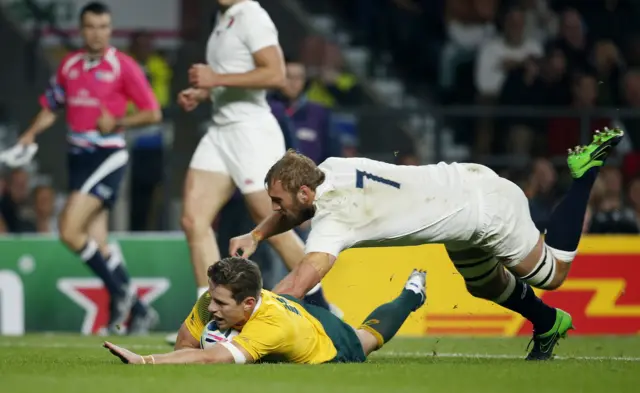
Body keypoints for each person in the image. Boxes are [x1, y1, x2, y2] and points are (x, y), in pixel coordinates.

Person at [230, 128, 625, 361]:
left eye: (278, 201)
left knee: (552, 273)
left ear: (303, 191)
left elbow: (297, 285)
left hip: (484, 208)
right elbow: (295, 211)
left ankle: (584, 176)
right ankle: (547, 323)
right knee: (483, 284)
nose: (275, 209)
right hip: (459, 199)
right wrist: (257, 235)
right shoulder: (329, 168)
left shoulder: (337, 219)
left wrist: (243, 324)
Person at [3, 2, 162, 334]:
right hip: (77, 159)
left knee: (68, 229)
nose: (98, 33)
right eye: (91, 26)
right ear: (81, 29)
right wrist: (29, 136)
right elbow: (51, 106)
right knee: (98, 242)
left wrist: (117, 122)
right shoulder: (69, 66)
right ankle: (140, 308)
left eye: (104, 26)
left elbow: (152, 112)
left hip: (108, 156)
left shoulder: (124, 66)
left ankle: (120, 293)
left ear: (110, 28)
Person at [175, 0, 332, 326]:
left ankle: (323, 311)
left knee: (270, 222)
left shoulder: (251, 15)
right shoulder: (224, 18)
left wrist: (215, 77)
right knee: (193, 220)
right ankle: (210, 318)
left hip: (250, 130)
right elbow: (235, 77)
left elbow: (275, 74)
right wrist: (205, 93)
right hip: (221, 129)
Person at [104, 257, 426, 364]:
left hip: (325, 340)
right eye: (211, 299)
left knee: (366, 338)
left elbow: (210, 357)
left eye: (220, 303)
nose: (209, 306)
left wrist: (144, 360)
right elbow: (185, 345)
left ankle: (412, 293)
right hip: (286, 306)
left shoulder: (271, 326)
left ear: (246, 304)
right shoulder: (215, 298)